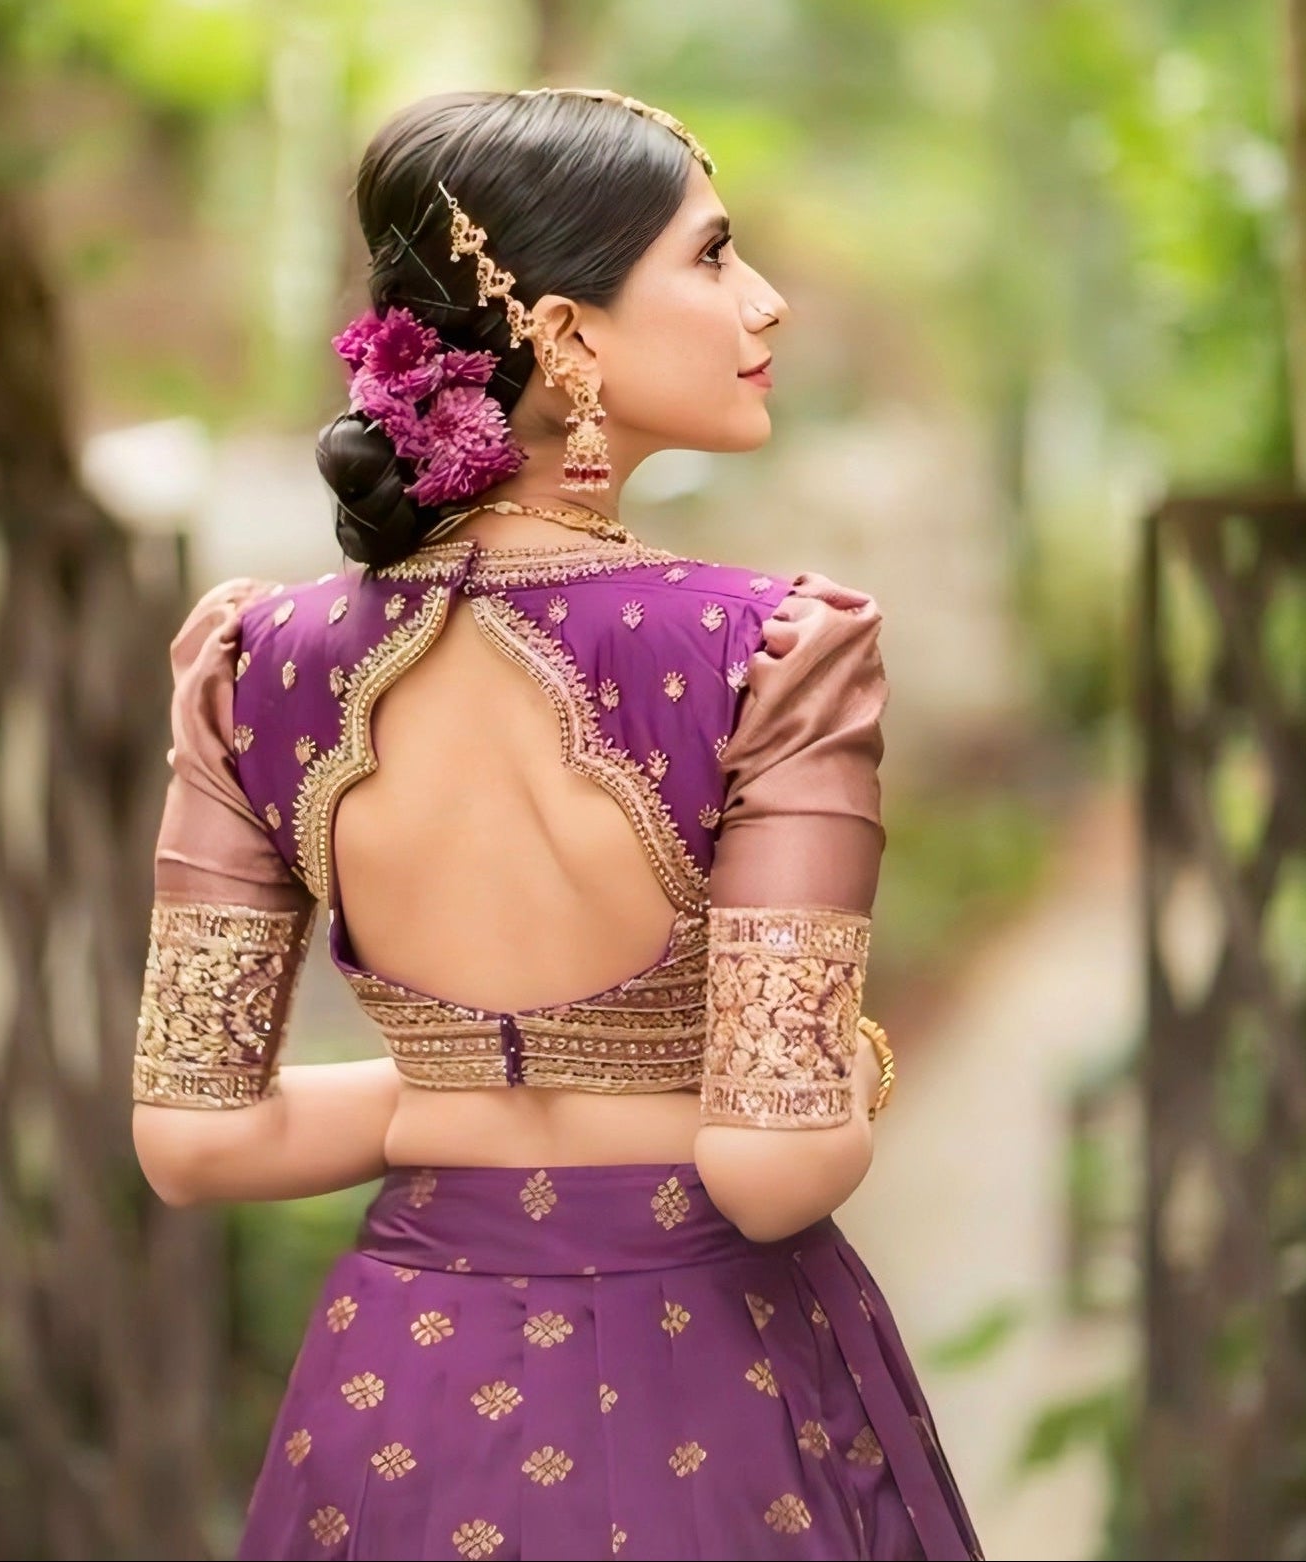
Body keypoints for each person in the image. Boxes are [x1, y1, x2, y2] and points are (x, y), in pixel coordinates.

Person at [130, 86, 983, 1562]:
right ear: (572, 336)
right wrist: (845, 1055)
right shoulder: (770, 651)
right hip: (712, 1382)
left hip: (402, 1382)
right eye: (714, 258)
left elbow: (196, 1139)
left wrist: (447, 1099)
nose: (763, 300)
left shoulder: (249, 665)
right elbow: (772, 1163)